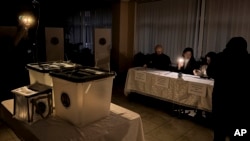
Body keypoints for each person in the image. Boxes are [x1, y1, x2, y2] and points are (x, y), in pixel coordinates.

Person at [211, 37, 250, 141]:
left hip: (221, 100)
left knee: (219, 132)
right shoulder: (247, 59)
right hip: (240, 105)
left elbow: (210, 72)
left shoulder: (220, 57)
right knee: (239, 133)